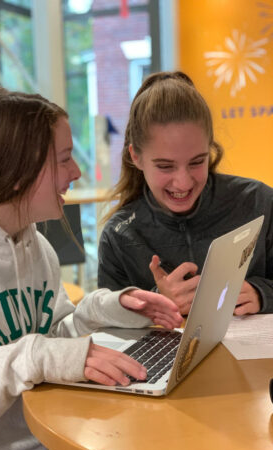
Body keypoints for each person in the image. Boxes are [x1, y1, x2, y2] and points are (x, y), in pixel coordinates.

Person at [0, 87, 183, 450]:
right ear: (18, 169)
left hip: (42, 444)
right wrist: (32, 356)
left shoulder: (35, 244)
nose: (76, 173)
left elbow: (50, 336)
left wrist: (108, 309)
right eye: (64, 159)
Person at [98, 71, 273, 316]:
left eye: (196, 162)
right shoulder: (120, 235)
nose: (182, 183)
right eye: (165, 166)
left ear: (210, 149)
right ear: (135, 156)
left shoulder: (259, 202)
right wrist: (157, 304)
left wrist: (261, 294)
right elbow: (108, 327)